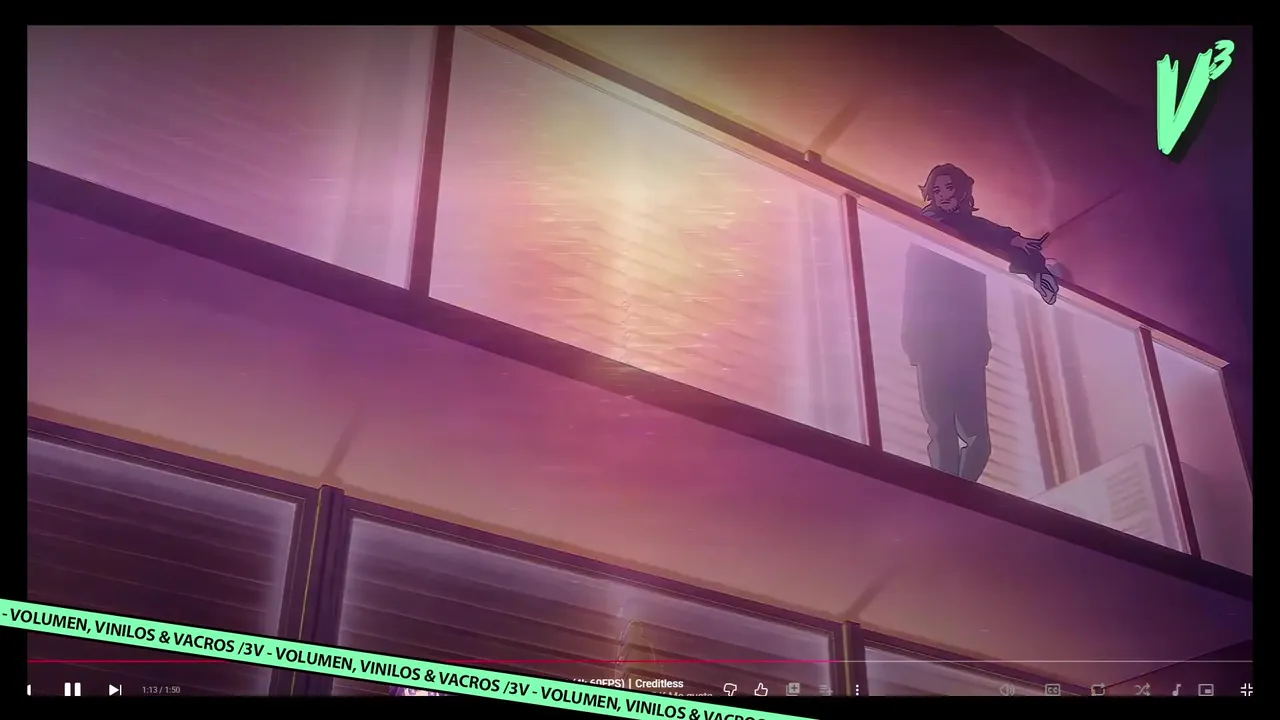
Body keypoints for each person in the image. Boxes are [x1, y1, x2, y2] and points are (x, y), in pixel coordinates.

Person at [902, 163, 1059, 481]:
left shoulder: (970, 229)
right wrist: (913, 342)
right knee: (942, 430)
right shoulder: (922, 228)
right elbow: (912, 292)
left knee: (976, 438)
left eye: (949, 188)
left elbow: (1006, 240)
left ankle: (957, 494)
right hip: (931, 344)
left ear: (962, 192)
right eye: (937, 190)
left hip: (967, 345)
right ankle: (947, 494)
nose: (944, 195)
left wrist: (1038, 271)